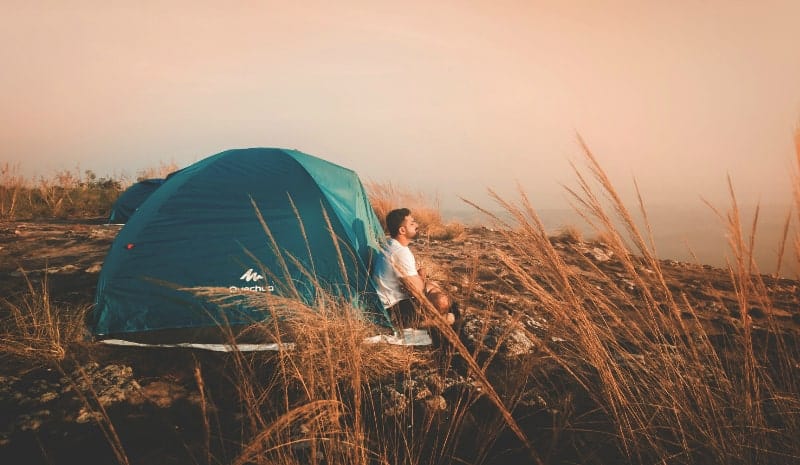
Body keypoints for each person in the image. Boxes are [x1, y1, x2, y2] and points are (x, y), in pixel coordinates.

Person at [373, 208, 456, 329]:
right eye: (412, 224)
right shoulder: (400, 252)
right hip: (393, 309)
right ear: (402, 230)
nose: (416, 225)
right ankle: (427, 322)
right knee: (441, 300)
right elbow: (416, 290)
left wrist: (421, 280)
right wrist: (421, 280)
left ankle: (427, 319)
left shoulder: (392, 244)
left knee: (433, 286)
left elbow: (413, 284)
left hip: (389, 302)